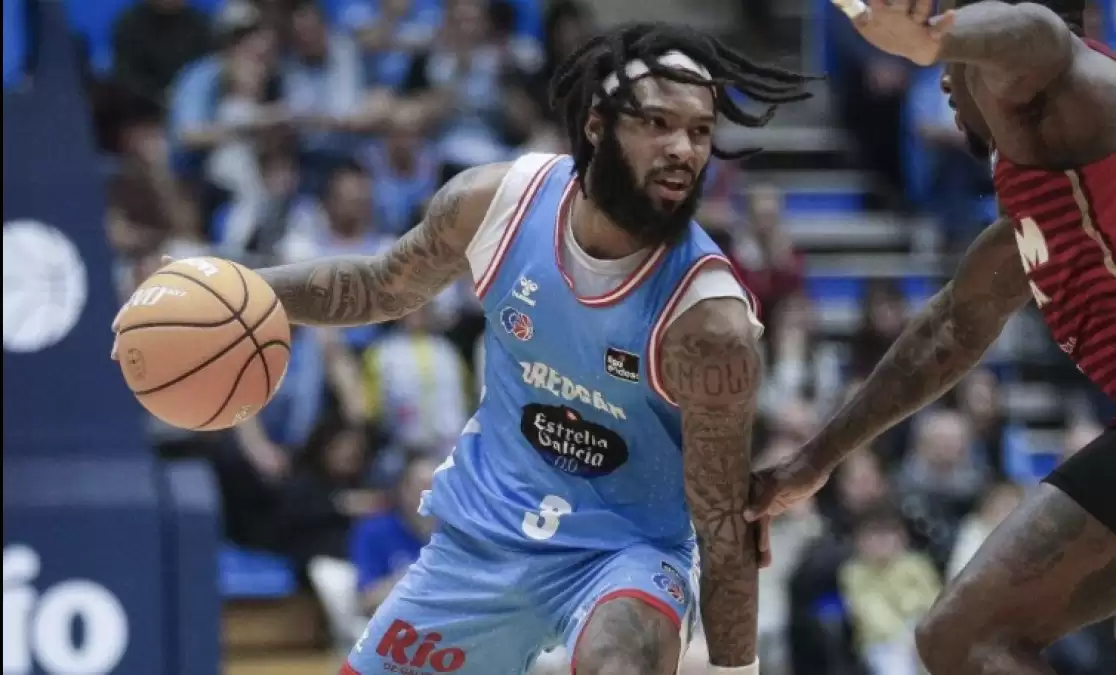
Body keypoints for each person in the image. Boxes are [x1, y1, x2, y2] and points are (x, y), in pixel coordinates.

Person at [112, 22, 816, 675]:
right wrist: (235, 289)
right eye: (658, 123)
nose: (684, 149)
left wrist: (737, 671)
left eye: (700, 131)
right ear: (597, 126)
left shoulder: (708, 318)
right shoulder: (499, 202)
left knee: (619, 659)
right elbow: (376, 286)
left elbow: (723, 521)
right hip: (486, 533)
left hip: (628, 553)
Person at [746, 2, 1116, 675]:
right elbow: (948, 330)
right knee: (965, 636)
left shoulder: (1077, 89)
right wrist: (814, 460)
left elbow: (1033, 34)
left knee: (965, 636)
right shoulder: (1041, 202)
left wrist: (933, 41)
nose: (943, 81)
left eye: (956, 54)